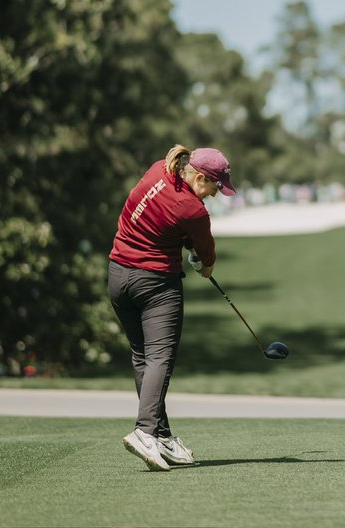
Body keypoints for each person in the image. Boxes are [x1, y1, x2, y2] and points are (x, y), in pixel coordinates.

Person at [108, 144, 237, 471]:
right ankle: (145, 430)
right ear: (201, 177)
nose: (214, 195)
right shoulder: (193, 210)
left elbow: (164, 221)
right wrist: (204, 263)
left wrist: (187, 245)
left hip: (117, 277)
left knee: (142, 356)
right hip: (155, 283)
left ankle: (161, 436)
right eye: (215, 187)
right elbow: (205, 249)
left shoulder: (157, 169)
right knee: (160, 358)